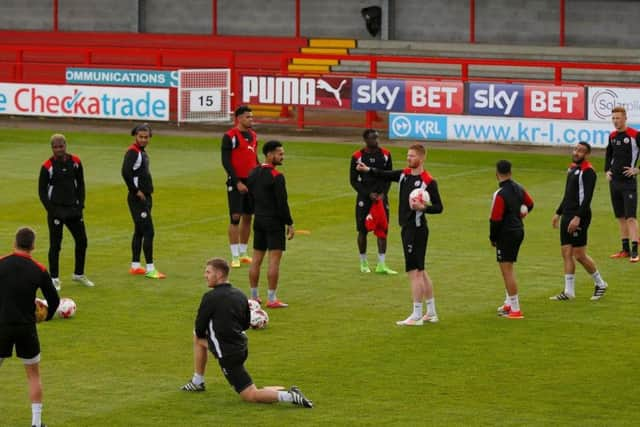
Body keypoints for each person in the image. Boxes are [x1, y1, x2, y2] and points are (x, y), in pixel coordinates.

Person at [180, 258, 312, 408]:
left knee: (250, 395)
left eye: (208, 272)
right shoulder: (240, 294)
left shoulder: (210, 298)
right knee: (197, 338)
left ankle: (290, 396)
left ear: (219, 274)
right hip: (241, 347)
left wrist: (212, 336)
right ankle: (198, 381)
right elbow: (245, 324)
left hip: (228, 354)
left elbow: (199, 328)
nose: (205, 275)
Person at [357, 144, 443, 326]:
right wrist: (367, 170)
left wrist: (423, 207)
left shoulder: (428, 181)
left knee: (414, 273)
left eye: (412, 156)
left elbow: (439, 207)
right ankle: (432, 313)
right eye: (408, 155)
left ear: (421, 158)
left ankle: (416, 315)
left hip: (416, 229)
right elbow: (384, 174)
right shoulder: (404, 174)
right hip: (408, 228)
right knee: (421, 270)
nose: (408, 158)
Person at [0, 227, 60, 427]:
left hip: (2, 326)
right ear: (33, 245)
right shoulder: (39, 269)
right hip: (26, 328)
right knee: (33, 375)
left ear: (14, 243)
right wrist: (46, 317)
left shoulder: (1, 263)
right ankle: (36, 423)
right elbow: (54, 299)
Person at [550, 142, 609, 301]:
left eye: (581, 151)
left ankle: (600, 283)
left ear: (587, 155)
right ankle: (569, 292)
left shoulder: (588, 172)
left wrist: (578, 217)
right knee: (566, 253)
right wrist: (558, 212)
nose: (576, 153)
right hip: (567, 214)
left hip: (579, 216)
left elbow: (587, 198)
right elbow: (568, 193)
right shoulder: (572, 168)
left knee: (579, 254)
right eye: (576, 149)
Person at [38, 133, 94, 290]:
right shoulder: (47, 167)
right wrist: (52, 210)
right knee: (55, 245)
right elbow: (42, 192)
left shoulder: (75, 162)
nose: (58, 150)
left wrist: (80, 205)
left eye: (61, 146)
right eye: (55, 147)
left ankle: (79, 274)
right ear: (52, 148)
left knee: (82, 241)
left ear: (65, 145)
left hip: (73, 210)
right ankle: (54, 278)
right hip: (56, 211)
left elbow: (81, 184)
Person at [247, 140, 294, 308]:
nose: (283, 157)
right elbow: (282, 203)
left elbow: (250, 196)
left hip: (258, 219)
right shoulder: (277, 176)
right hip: (274, 222)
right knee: (274, 261)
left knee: (256, 259)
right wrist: (289, 222)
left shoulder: (253, 173)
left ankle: (253, 296)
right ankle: (272, 298)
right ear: (269, 154)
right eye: (280, 154)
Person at [490, 160, 534, 319]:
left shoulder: (500, 194)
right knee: (508, 268)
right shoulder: (519, 188)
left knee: (507, 271)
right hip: (518, 231)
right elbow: (530, 204)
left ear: (497, 173)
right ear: (510, 172)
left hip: (506, 233)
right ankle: (509, 303)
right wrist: (521, 213)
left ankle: (515, 309)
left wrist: (493, 238)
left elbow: (495, 219)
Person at [121, 123, 165, 279]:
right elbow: (125, 172)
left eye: (146, 137)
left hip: (144, 196)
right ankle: (150, 268)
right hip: (138, 198)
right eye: (141, 137)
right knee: (149, 231)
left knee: (139, 231)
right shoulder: (133, 153)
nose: (144, 139)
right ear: (135, 136)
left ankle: (135, 266)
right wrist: (136, 191)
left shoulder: (140, 152)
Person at [350, 129, 397, 274]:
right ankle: (363, 262)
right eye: (372, 138)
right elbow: (353, 180)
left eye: (376, 138)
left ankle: (381, 264)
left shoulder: (386, 154)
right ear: (365, 140)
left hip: (381, 198)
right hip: (365, 199)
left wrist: (383, 193)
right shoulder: (357, 156)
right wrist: (367, 194)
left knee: (382, 230)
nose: (375, 141)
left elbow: (389, 176)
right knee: (363, 230)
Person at [222, 106, 259, 268]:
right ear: (238, 119)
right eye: (247, 117)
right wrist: (236, 181)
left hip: (251, 180)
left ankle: (244, 253)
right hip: (236, 181)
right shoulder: (230, 136)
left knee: (248, 216)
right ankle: (234, 255)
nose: (251, 119)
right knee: (235, 217)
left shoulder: (253, 135)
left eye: (251, 117)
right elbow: (226, 161)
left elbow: (254, 157)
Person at [605, 106, 640, 262]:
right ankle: (625, 250)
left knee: (631, 217)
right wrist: (607, 170)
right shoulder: (612, 136)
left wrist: (637, 169)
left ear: (625, 118)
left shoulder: (635, 135)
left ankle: (635, 251)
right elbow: (609, 154)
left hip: (628, 183)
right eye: (613, 118)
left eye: (618, 118)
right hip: (615, 183)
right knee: (620, 217)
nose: (615, 121)